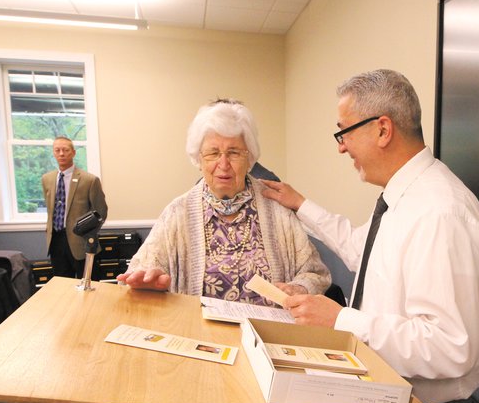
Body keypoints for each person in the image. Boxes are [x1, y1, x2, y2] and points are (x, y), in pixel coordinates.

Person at [261, 69, 479, 403]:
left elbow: (452, 344)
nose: (340, 147)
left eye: (343, 133)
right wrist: (301, 204)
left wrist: (342, 321)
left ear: (382, 128)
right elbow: (362, 251)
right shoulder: (402, 199)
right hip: (393, 399)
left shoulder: (439, 212)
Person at [117, 99, 331, 302]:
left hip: (266, 335)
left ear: (250, 159)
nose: (223, 163)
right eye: (212, 153)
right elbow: (141, 270)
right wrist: (148, 283)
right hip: (199, 335)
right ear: (198, 159)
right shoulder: (178, 213)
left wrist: (299, 288)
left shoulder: (277, 209)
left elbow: (315, 273)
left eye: (234, 152)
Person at [42, 137, 108, 278]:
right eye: (57, 150)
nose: (61, 154)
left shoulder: (89, 180)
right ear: (53, 153)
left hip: (81, 241)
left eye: (65, 150)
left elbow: (101, 211)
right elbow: (49, 209)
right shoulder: (47, 179)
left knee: (88, 285)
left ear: (73, 152)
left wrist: (88, 233)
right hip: (56, 240)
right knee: (62, 286)